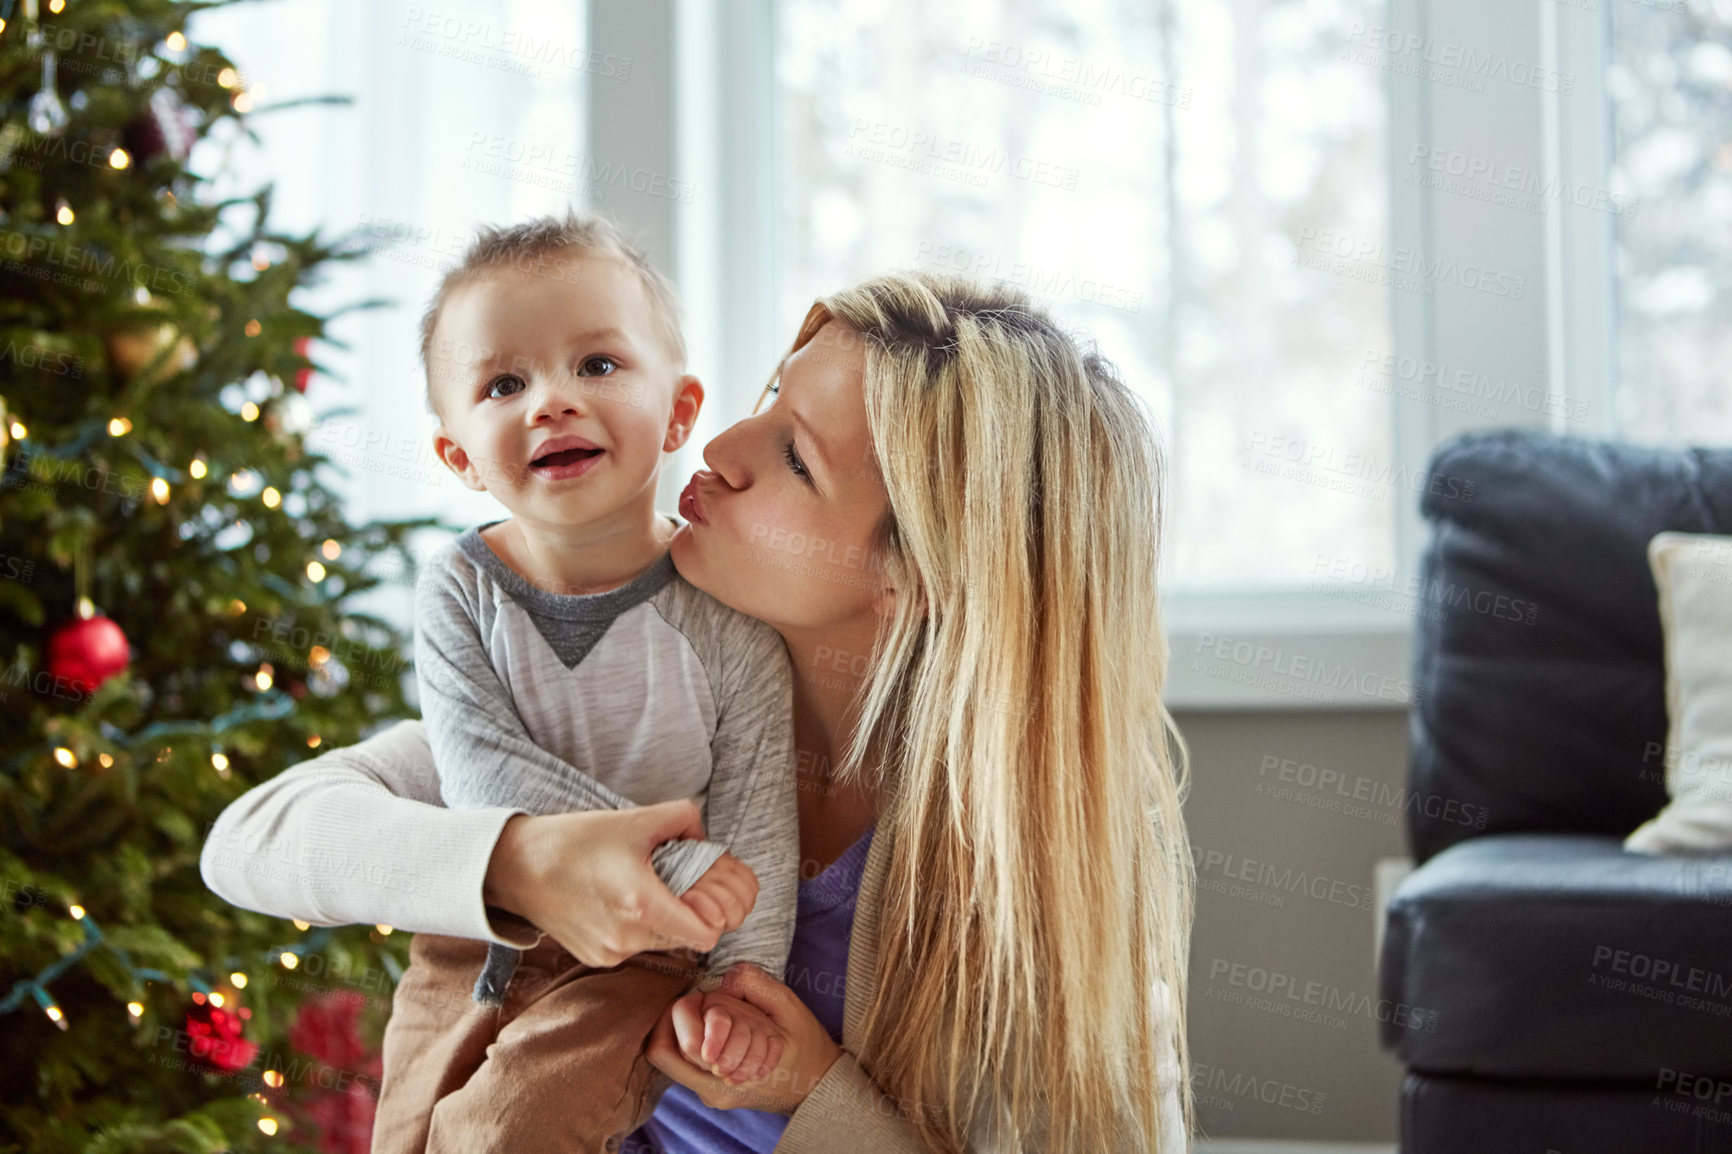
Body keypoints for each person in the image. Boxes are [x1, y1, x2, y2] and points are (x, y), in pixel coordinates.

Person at [201, 269, 1195, 1153]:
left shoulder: (1028, 889)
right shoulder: (622, 698)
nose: (718, 444)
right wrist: (520, 859)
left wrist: (814, 1091)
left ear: (915, 573)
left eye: (798, 458)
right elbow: (252, 840)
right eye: (767, 399)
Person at [227, 211, 802, 1153]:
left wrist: (734, 990)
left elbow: (757, 824)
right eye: (504, 383)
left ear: (682, 413)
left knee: (508, 1133)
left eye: (598, 366)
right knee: (406, 1129)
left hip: (639, 952)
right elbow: (482, 774)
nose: (552, 402)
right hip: (474, 932)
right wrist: (673, 862)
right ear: (458, 455)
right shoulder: (459, 589)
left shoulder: (724, 620)